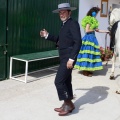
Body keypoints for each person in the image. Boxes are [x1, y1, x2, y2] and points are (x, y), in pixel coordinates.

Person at [40, 3, 82, 116]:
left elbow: (78, 42)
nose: (61, 14)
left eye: (64, 12)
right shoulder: (64, 24)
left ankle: (69, 104)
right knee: (66, 81)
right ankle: (66, 103)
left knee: (58, 81)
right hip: (64, 57)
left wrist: (71, 59)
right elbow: (61, 40)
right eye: (60, 12)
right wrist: (47, 35)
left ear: (69, 12)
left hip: (68, 58)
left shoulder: (73, 24)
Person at [74, 7, 109, 77]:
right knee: (87, 54)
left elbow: (97, 30)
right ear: (93, 13)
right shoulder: (89, 19)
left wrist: (106, 31)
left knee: (91, 55)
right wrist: (93, 29)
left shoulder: (93, 20)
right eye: (97, 13)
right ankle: (85, 71)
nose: (97, 15)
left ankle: (88, 69)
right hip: (88, 39)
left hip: (92, 38)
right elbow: (87, 30)